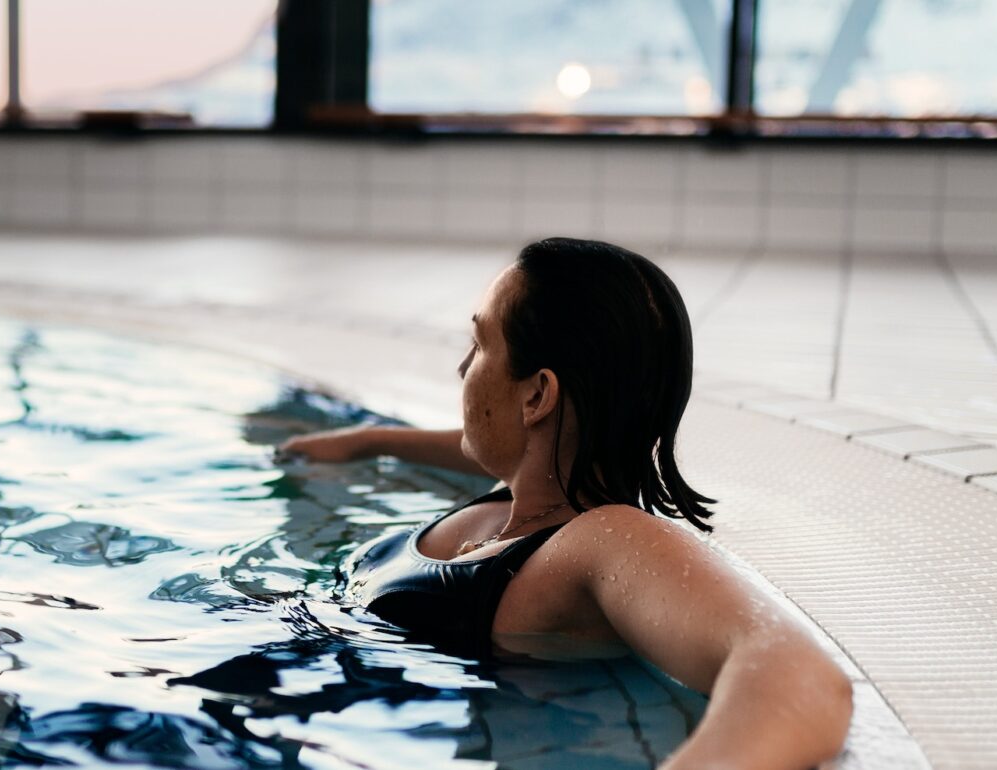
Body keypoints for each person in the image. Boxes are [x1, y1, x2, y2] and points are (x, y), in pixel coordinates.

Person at [279, 238, 852, 770]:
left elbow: (797, 675)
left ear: (536, 396)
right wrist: (368, 441)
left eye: (479, 344)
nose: (462, 368)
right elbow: (474, 445)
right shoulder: (524, 493)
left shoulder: (601, 540)